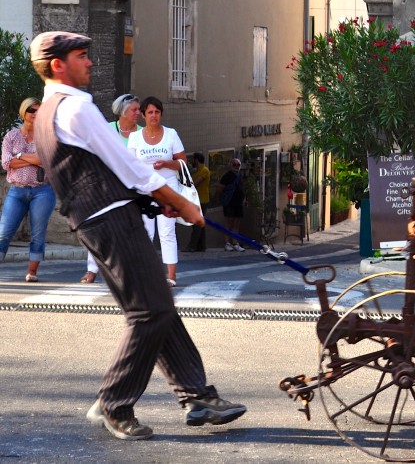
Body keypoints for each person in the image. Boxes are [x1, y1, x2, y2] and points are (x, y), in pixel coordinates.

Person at [29, 31, 245, 441]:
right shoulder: (76, 108)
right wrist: (179, 202)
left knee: (156, 305)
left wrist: (151, 202)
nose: (90, 62)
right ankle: (114, 401)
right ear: (58, 64)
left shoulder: (47, 111)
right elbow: (129, 166)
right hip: (110, 221)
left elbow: (103, 170)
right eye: (81, 55)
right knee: (150, 312)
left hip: (101, 218)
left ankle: (197, 396)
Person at [82, 93, 142, 284]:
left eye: (139, 110)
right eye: (134, 110)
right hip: (106, 188)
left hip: (133, 190)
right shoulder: (107, 130)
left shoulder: (142, 134)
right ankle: (92, 270)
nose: (138, 113)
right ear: (122, 112)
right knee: (99, 230)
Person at [127, 97, 187, 286]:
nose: (154, 116)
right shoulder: (135, 137)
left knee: (167, 232)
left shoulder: (171, 134)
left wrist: (167, 163)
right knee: (145, 232)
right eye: (150, 112)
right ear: (143, 115)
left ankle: (171, 275)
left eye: (157, 112)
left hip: (168, 188)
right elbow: (129, 165)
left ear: (161, 114)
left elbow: (182, 162)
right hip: (144, 191)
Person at [0, 97, 57, 282]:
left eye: (39, 110)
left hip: (42, 191)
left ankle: (32, 272)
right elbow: (7, 162)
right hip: (16, 191)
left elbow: (44, 160)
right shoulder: (11, 136)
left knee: (38, 234)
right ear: (23, 112)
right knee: (4, 232)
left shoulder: (46, 136)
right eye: (32, 110)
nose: (35, 114)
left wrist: (19, 156)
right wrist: (30, 157)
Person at [185, 152, 211, 252]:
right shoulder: (196, 171)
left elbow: (195, 184)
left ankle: (192, 246)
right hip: (196, 200)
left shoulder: (204, 170)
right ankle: (201, 246)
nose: (192, 161)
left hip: (202, 200)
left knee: (197, 224)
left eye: (193, 159)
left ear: (196, 160)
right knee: (200, 224)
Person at [218, 158, 245, 251]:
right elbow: (220, 189)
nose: (236, 166)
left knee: (236, 223)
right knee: (228, 222)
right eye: (234, 164)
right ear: (231, 165)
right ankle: (227, 242)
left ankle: (235, 242)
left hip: (239, 202)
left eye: (238, 165)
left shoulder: (240, 175)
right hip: (229, 202)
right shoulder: (227, 176)